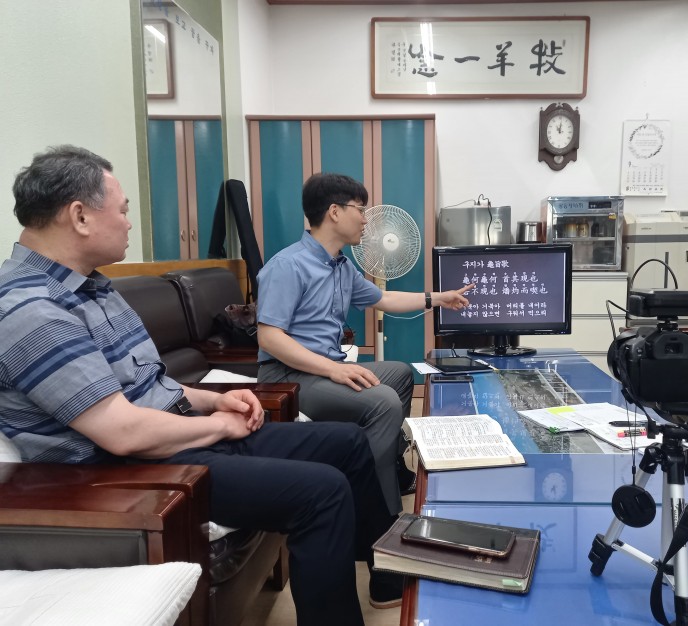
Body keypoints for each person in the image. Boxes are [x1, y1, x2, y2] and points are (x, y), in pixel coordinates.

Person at [0, 146, 401, 626]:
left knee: (348, 443)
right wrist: (218, 426)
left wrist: (215, 399)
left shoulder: (93, 288)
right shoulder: (31, 308)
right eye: (123, 211)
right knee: (322, 491)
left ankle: (386, 571)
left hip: (171, 435)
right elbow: (122, 431)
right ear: (80, 216)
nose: (129, 223)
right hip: (127, 468)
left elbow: (149, 384)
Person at [257, 172, 472, 515]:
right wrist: (334, 370)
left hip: (324, 369)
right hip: (288, 376)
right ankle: (374, 509)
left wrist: (438, 298)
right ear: (335, 212)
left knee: (400, 374)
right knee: (384, 402)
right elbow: (269, 337)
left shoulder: (342, 267)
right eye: (360, 209)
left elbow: (384, 299)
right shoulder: (287, 266)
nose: (366, 220)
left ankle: (381, 463)